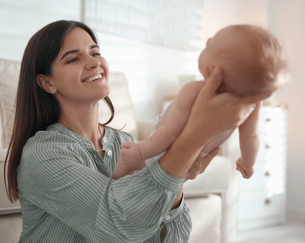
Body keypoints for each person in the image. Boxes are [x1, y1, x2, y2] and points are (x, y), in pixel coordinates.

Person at [4, 20, 253, 243]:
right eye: (73, 58)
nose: (94, 63)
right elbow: (118, 228)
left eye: (95, 52)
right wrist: (190, 141)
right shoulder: (44, 154)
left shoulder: (126, 143)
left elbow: (171, 239)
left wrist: (178, 180)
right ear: (47, 83)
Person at [112, 24, 289, 180]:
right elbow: (250, 136)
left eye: (210, 45)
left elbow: (170, 133)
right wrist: (248, 163)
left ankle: (120, 172)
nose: (208, 41)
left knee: (130, 166)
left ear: (213, 71)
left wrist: (140, 151)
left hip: (164, 148)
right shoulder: (250, 106)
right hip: (193, 157)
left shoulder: (194, 90)